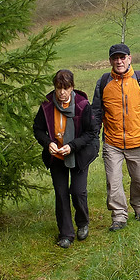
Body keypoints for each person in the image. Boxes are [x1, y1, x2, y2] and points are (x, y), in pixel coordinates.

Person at [91, 43, 140, 232]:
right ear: (110, 61)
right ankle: (119, 217)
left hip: (138, 141)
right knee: (113, 183)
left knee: (139, 182)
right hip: (112, 143)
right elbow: (96, 113)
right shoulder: (104, 82)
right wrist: (93, 137)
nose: (119, 61)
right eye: (115, 58)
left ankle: (139, 208)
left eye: (122, 57)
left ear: (130, 58)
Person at [32, 69, 99, 249]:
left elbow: (92, 132)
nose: (62, 93)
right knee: (61, 194)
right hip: (57, 157)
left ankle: (83, 222)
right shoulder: (46, 106)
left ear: (72, 88)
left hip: (79, 154)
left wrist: (73, 146)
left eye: (66, 88)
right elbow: (37, 129)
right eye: (58, 88)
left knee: (77, 192)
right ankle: (66, 234)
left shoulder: (82, 105)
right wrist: (48, 143)